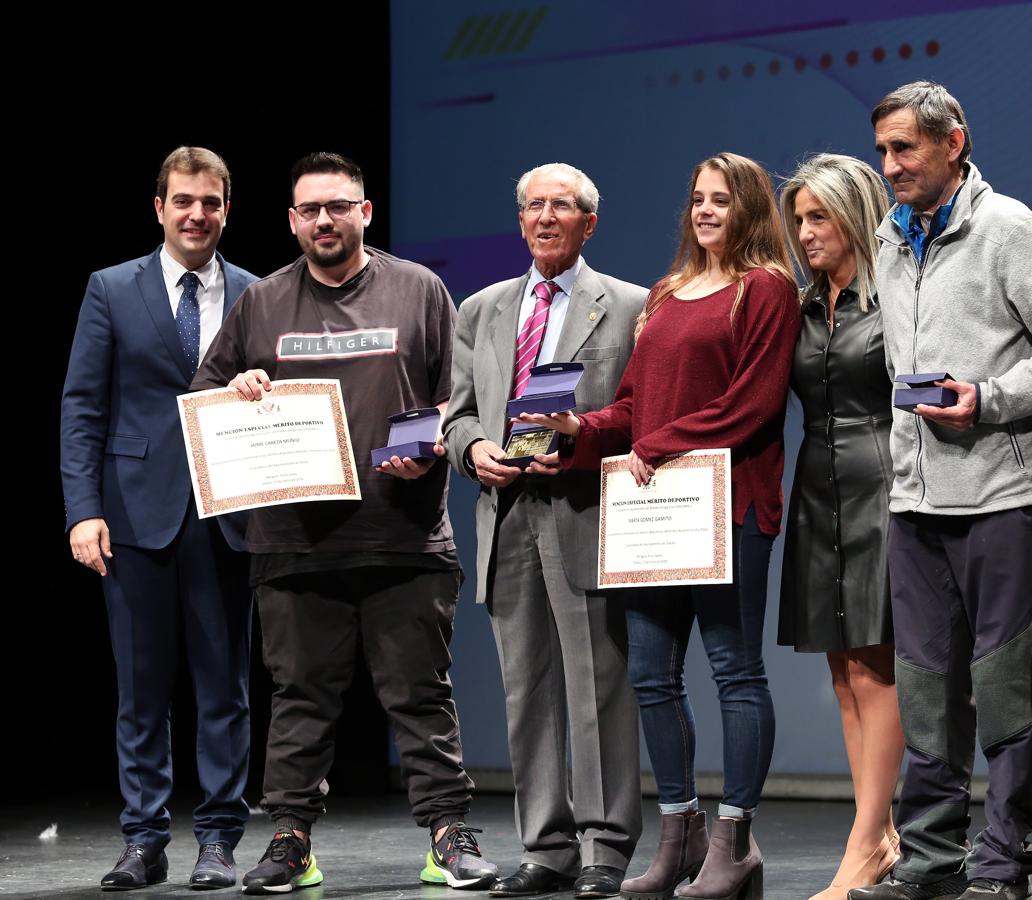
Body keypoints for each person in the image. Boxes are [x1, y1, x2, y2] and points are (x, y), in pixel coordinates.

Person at [191, 152, 496, 895]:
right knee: (299, 699)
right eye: (308, 210)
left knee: (421, 696)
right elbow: (202, 394)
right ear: (293, 220)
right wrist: (239, 386)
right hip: (293, 545)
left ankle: (448, 838)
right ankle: (291, 841)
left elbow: (458, 402)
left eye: (337, 206)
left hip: (404, 536)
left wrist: (431, 449)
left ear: (365, 212)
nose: (323, 220)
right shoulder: (261, 302)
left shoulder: (419, 289)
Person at [523, 152, 800, 900]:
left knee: (733, 673)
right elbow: (634, 407)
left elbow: (753, 406)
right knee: (650, 676)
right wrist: (578, 430)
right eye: (696, 199)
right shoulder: (670, 293)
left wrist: (656, 444)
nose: (705, 211)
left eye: (721, 200)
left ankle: (734, 842)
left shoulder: (766, 289)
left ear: (747, 209)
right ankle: (679, 836)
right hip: (652, 512)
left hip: (730, 504)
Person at [851, 82, 1032, 900]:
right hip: (916, 499)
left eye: (903, 149)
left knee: (1002, 684)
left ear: (954, 143)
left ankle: (1000, 857)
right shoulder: (887, 235)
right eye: (882, 150)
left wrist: (987, 398)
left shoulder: (1008, 229)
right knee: (923, 685)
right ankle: (930, 856)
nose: (889, 167)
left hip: (1002, 493)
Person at [442, 162, 645, 899]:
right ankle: (547, 846)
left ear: (589, 223)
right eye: (534, 206)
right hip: (506, 513)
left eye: (562, 206)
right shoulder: (483, 308)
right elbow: (457, 410)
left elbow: (635, 411)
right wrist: (471, 450)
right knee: (526, 690)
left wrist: (580, 436)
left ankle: (604, 847)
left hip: (582, 509)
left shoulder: (627, 306)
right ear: (520, 219)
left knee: (598, 686)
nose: (546, 217)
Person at [60, 147, 256, 892]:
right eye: (183, 201)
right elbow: (82, 405)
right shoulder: (111, 288)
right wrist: (83, 511)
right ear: (159, 208)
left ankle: (217, 838)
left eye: (210, 202)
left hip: (225, 513)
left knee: (224, 689)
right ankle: (143, 839)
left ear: (226, 209)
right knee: (140, 691)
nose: (197, 214)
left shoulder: (256, 291)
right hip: (133, 516)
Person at [776, 154, 903, 900]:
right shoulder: (798, 305)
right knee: (841, 668)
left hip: (882, 485)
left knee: (876, 665)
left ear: (854, 216)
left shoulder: (896, 298)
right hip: (815, 492)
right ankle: (876, 831)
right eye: (798, 219)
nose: (805, 232)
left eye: (818, 217)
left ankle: (864, 844)